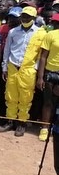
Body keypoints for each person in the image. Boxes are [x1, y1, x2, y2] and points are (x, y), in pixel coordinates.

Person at [0, 6, 40, 136]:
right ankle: (10, 120)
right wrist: (4, 67)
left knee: (26, 97)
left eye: (28, 17)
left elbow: (40, 54)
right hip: (13, 66)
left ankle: (22, 122)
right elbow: (7, 50)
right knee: (10, 95)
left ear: (33, 18)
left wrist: (35, 68)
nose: (25, 19)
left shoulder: (40, 33)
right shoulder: (13, 32)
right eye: (23, 16)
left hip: (28, 69)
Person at [36, 14, 59, 142]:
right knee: (48, 102)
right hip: (51, 71)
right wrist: (40, 77)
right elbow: (43, 57)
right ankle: (44, 128)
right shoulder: (51, 35)